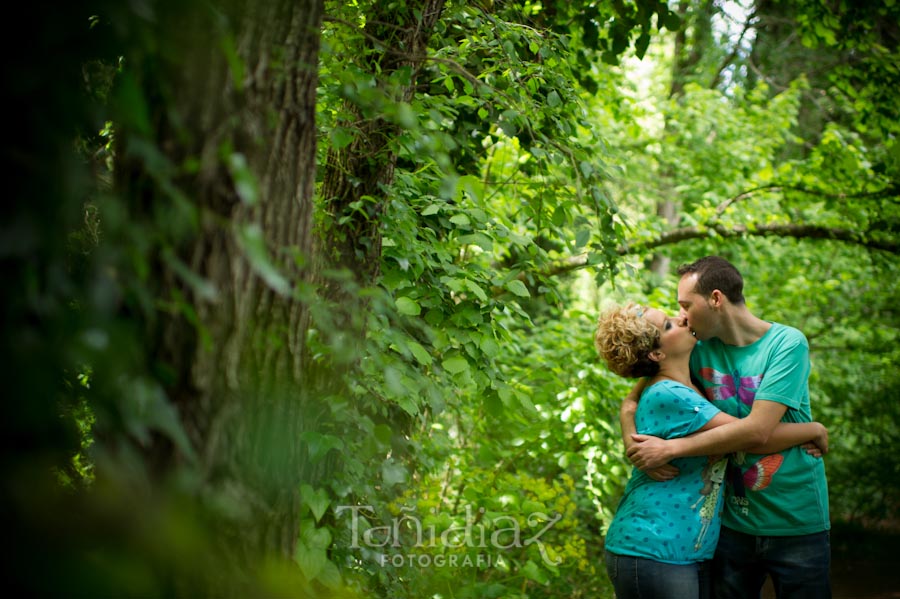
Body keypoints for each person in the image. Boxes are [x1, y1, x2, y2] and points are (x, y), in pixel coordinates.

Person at [624, 256, 832, 598]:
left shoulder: (786, 344)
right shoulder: (695, 348)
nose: (682, 316)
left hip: (797, 520)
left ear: (716, 299)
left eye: (686, 305)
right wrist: (632, 443)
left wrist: (670, 448)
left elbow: (757, 431)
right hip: (730, 523)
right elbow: (635, 396)